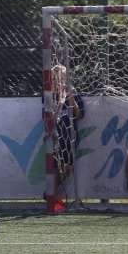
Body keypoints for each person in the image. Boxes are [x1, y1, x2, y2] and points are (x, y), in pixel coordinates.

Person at [45, 64, 84, 213]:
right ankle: (52, 198)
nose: (58, 80)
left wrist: (72, 98)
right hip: (56, 136)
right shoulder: (49, 95)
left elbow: (79, 115)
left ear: (65, 78)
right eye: (55, 78)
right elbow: (47, 116)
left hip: (70, 137)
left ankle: (50, 194)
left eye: (60, 77)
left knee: (68, 168)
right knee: (56, 167)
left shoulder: (72, 93)